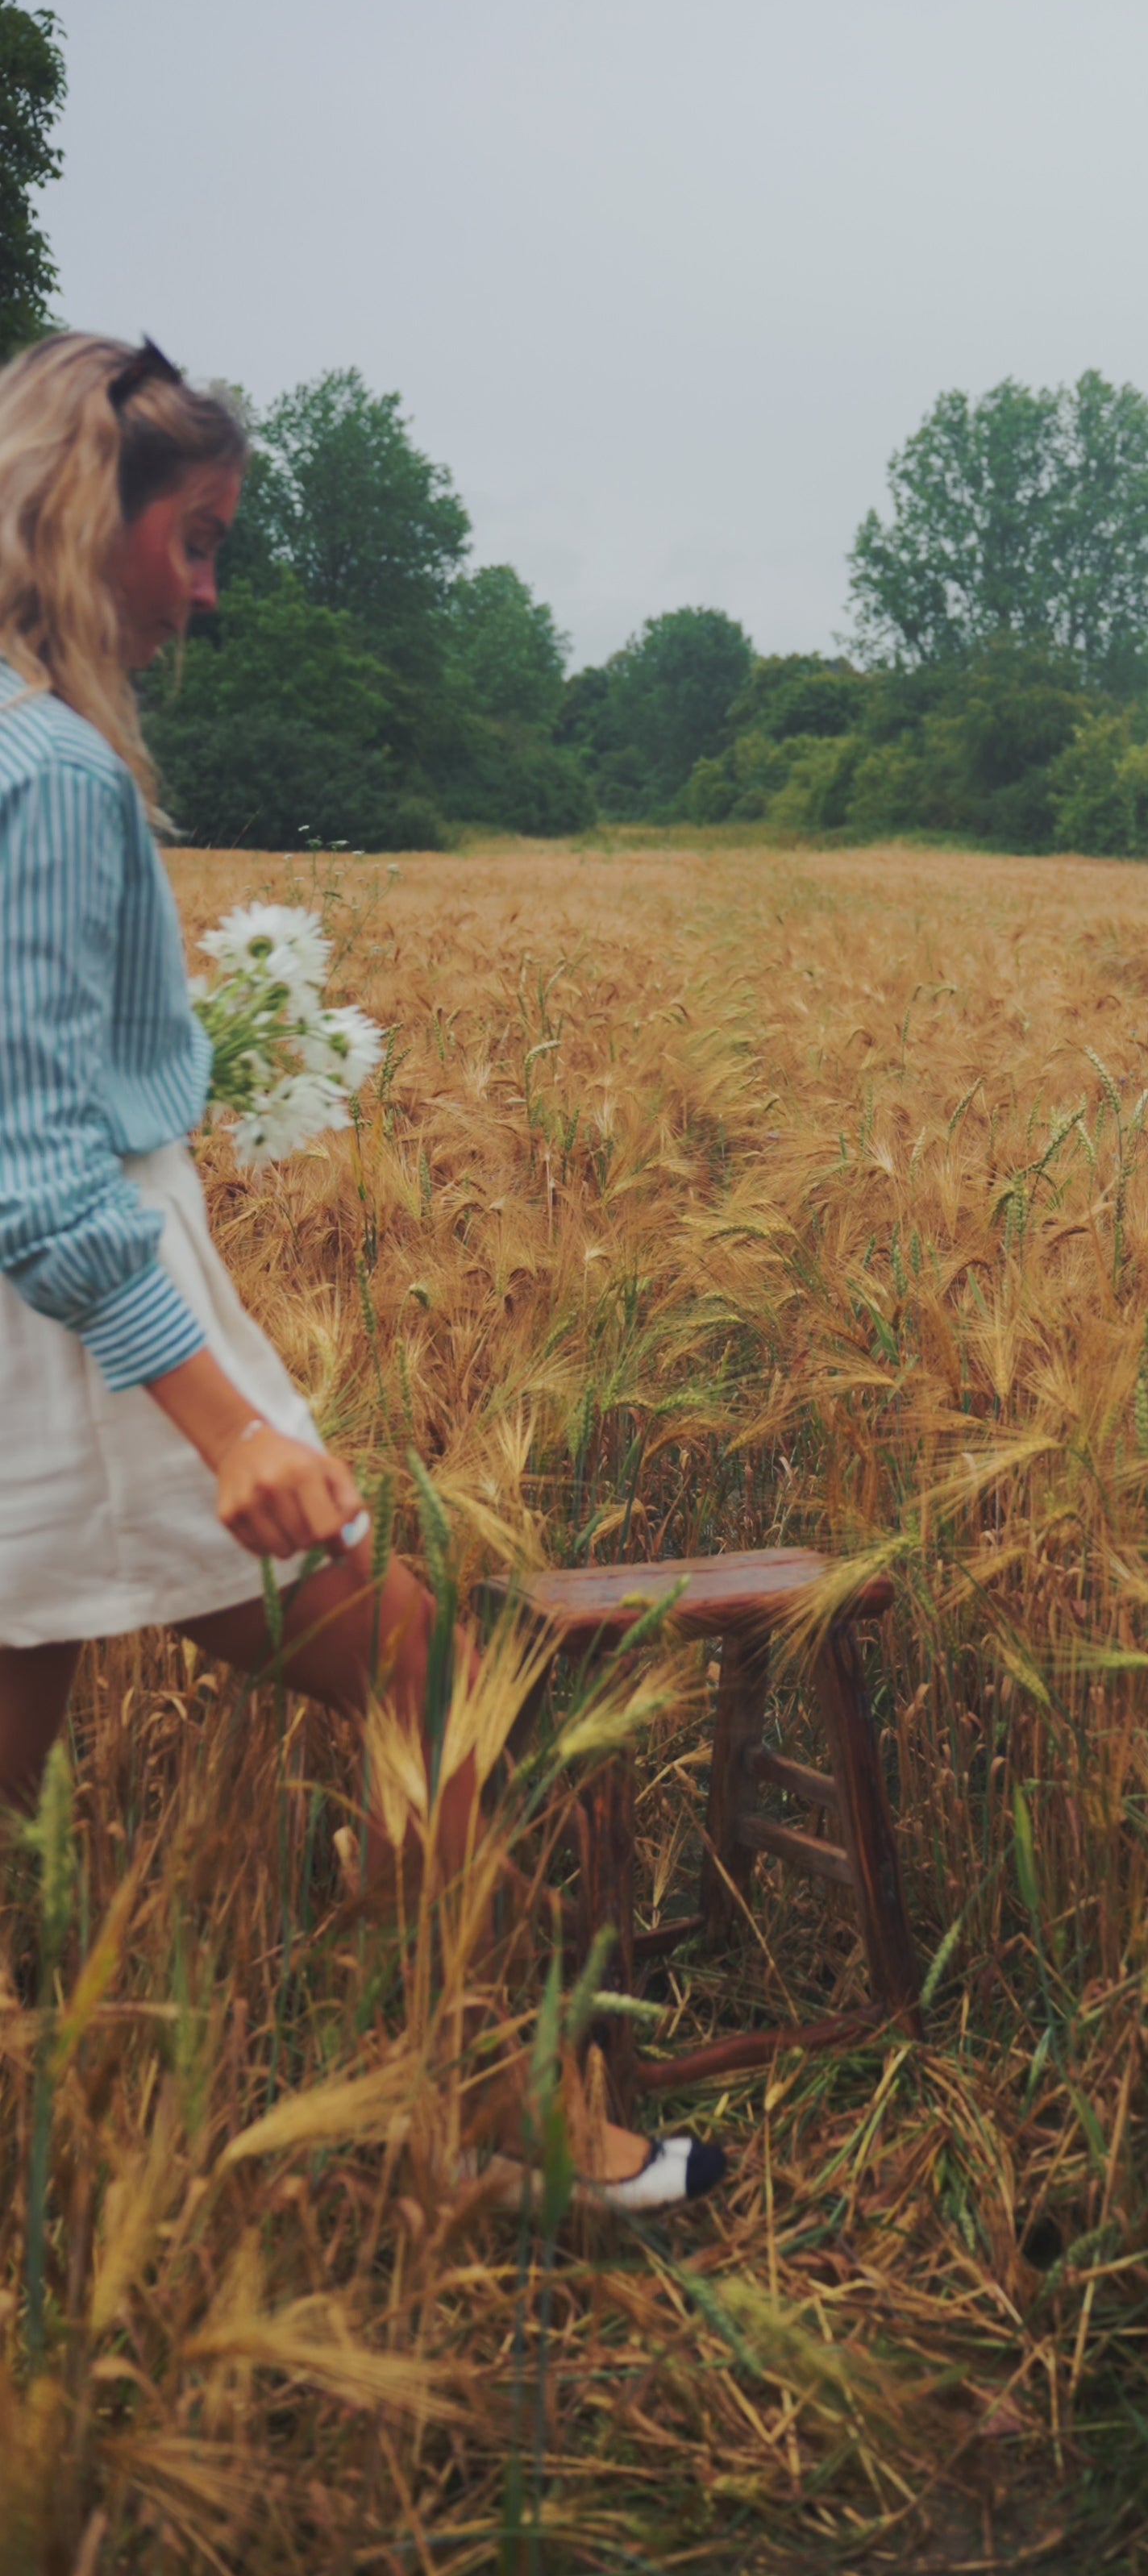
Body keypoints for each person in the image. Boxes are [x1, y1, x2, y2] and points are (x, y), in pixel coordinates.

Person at [0, 331, 723, 2210]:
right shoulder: (54, 773)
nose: (208, 593)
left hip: (41, 1329)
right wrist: (227, 1424)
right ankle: (495, 2113)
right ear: (95, 517)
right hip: (78, 1346)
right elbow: (39, 1171)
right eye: (199, 542)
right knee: (418, 1667)